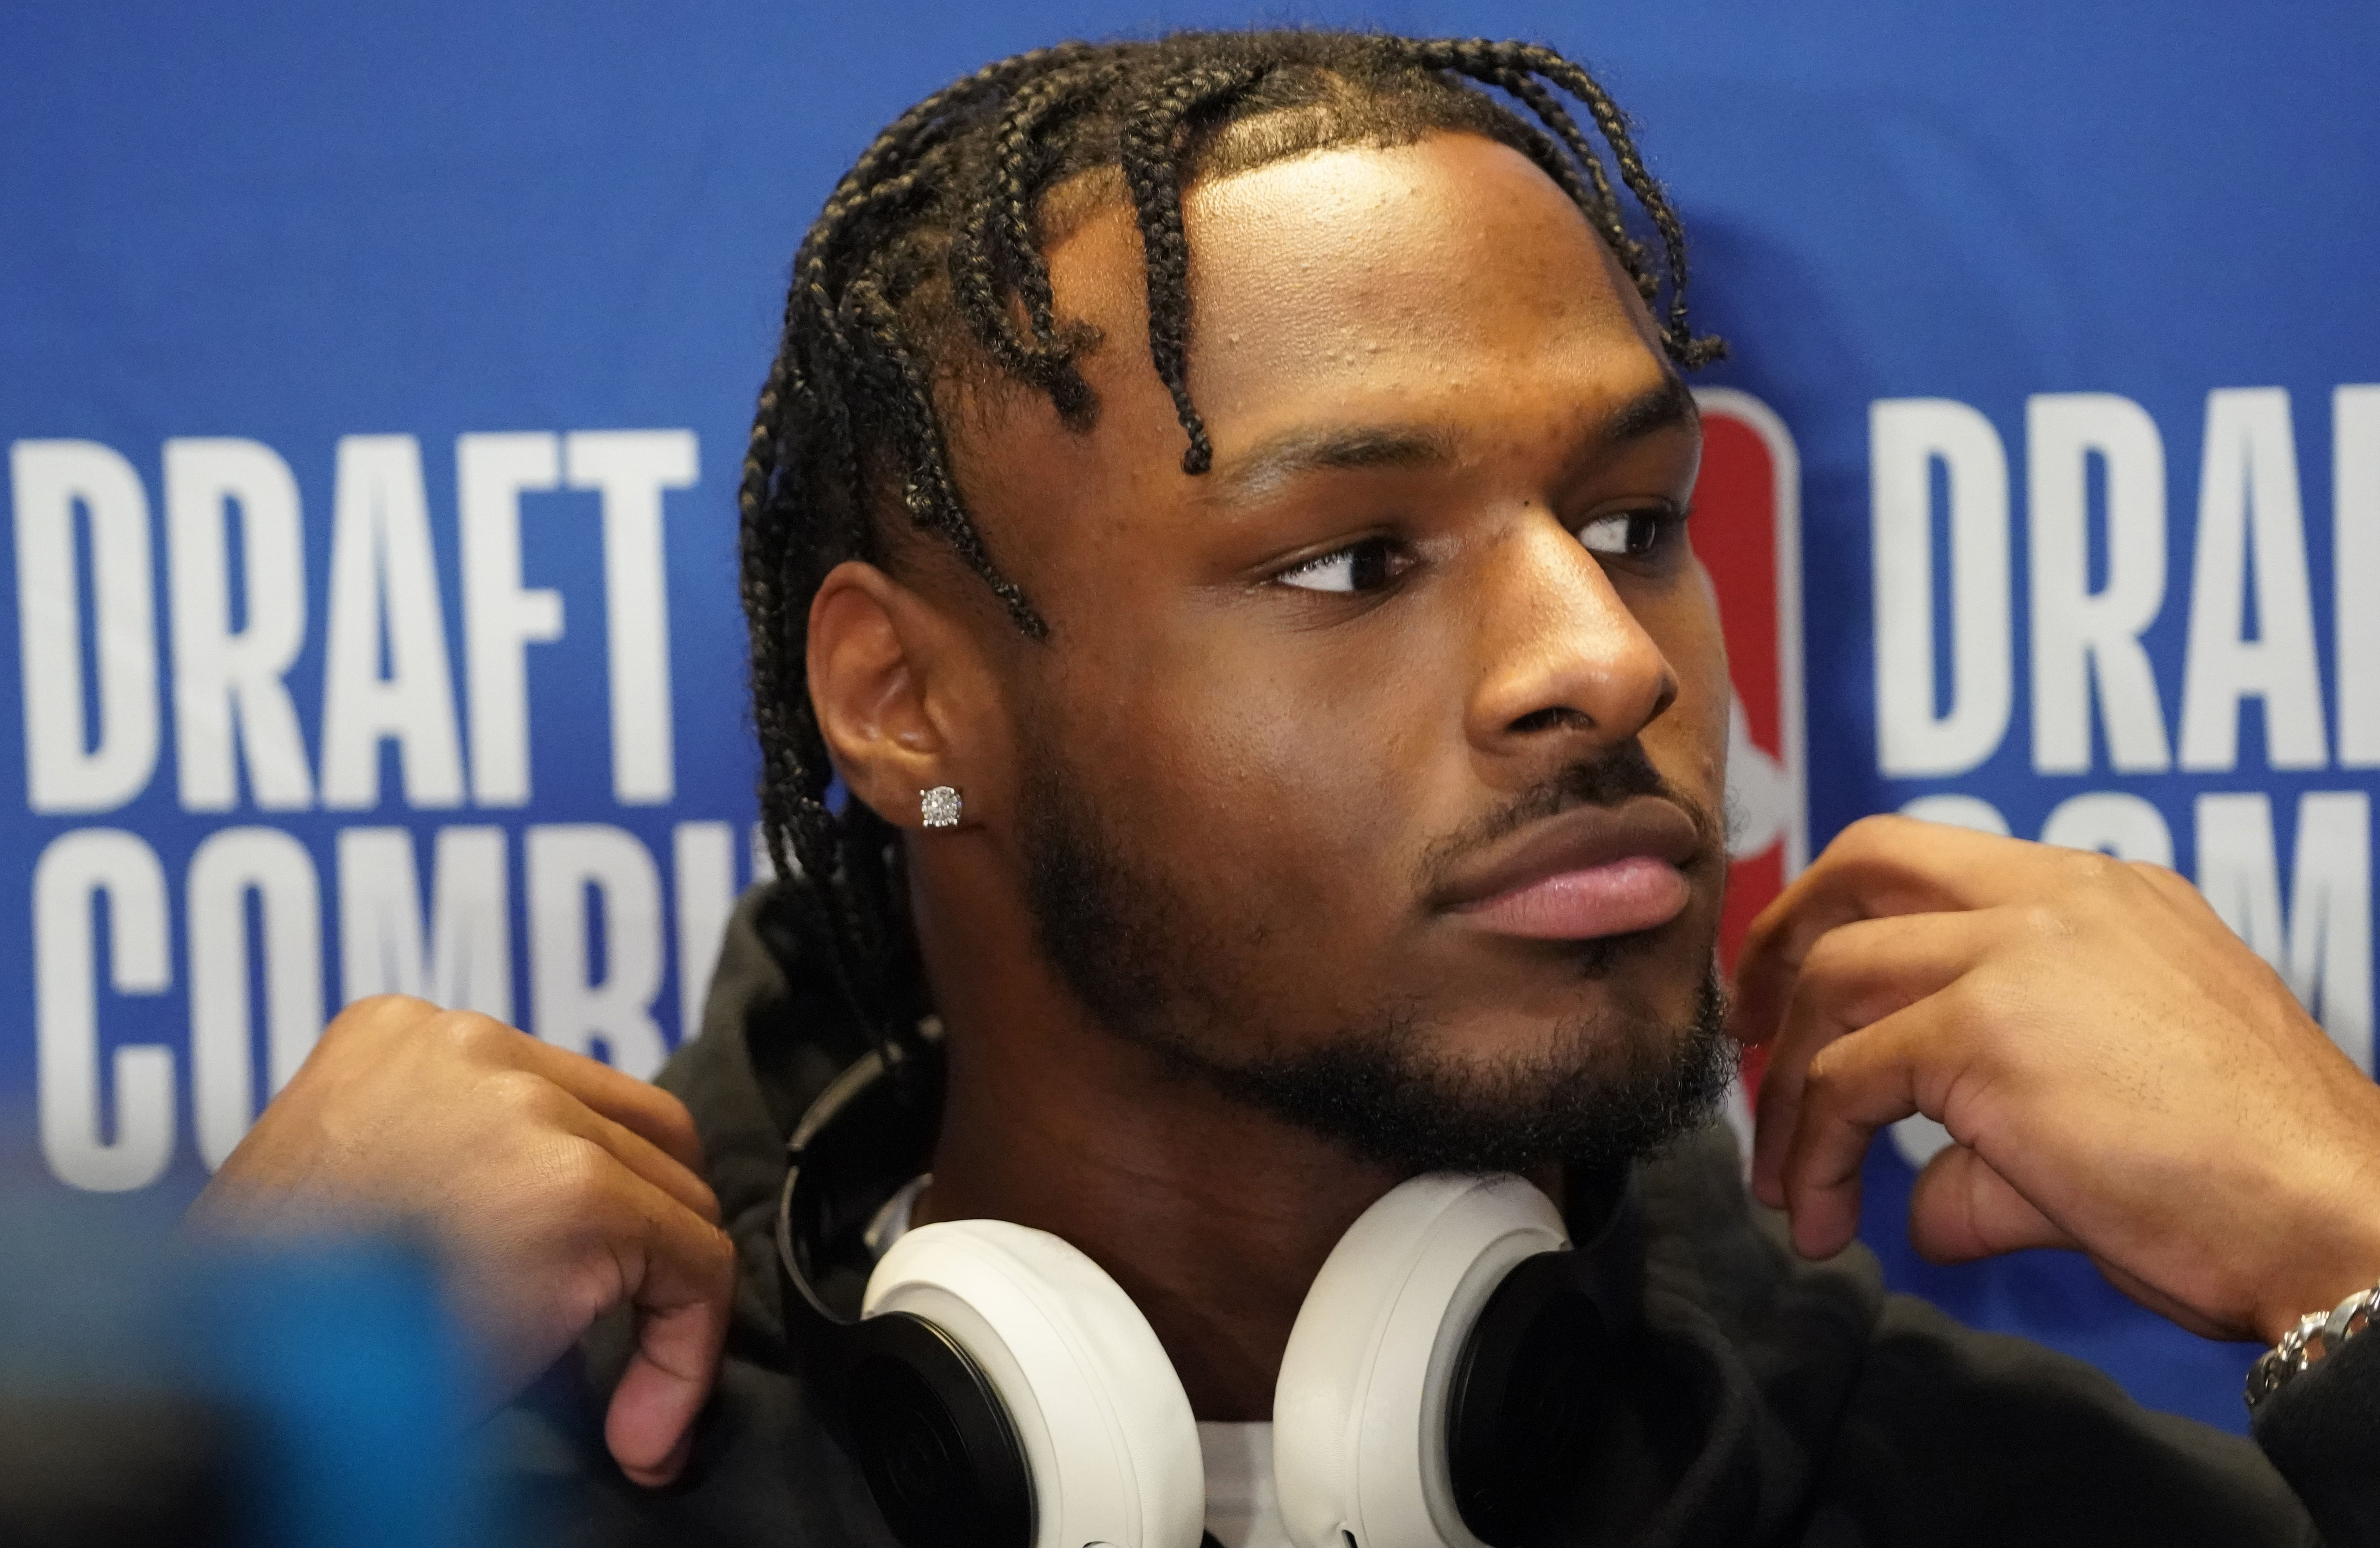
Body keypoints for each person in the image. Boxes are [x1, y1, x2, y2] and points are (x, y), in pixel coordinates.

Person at [190, 29, 2380, 1547]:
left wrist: (2363, 1255)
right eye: (1350, 557)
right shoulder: (450, 1491)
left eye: (1628, 516)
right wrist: (179, 1451)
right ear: (898, 699)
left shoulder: (2010, 1500)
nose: (1606, 659)